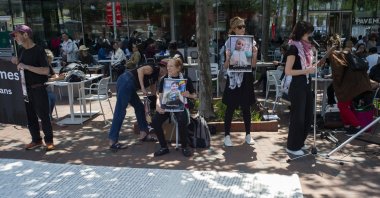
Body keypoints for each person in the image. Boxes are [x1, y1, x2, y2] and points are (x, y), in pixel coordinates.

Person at [10, 25, 55, 151]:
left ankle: (49, 141)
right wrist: (16, 62)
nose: (15, 38)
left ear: (25, 35)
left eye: (17, 35)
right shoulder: (21, 50)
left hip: (39, 88)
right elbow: (20, 66)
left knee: (44, 116)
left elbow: (46, 70)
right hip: (25, 89)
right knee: (30, 117)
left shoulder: (39, 50)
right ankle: (36, 139)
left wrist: (26, 66)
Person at [108, 60, 168, 152]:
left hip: (130, 84)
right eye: (168, 69)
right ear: (164, 68)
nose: (168, 72)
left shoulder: (156, 76)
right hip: (126, 81)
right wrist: (143, 88)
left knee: (140, 108)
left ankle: (144, 133)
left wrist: (155, 100)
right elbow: (140, 70)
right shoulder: (153, 68)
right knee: (120, 110)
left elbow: (153, 90)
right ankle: (113, 141)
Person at [327, 34, 373, 136]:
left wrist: (334, 79)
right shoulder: (345, 53)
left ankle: (357, 127)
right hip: (355, 83)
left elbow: (339, 72)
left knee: (343, 105)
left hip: (349, 85)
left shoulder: (335, 54)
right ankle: (348, 125)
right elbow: (344, 69)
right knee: (343, 105)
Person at [222, 16, 258, 147]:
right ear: (233, 29)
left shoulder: (250, 43)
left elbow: (253, 65)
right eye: (240, 27)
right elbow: (225, 66)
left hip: (246, 78)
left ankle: (248, 135)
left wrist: (255, 54)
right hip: (232, 79)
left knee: (246, 107)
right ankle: (226, 136)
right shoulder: (228, 44)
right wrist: (228, 57)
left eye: (243, 26)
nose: (243, 29)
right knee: (230, 107)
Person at [152, 57, 197, 157]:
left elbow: (195, 96)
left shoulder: (185, 79)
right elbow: (159, 96)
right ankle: (164, 147)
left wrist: (188, 95)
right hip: (166, 106)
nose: (168, 68)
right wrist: (158, 105)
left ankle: (184, 147)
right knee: (155, 121)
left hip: (180, 106)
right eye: (167, 66)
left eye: (171, 66)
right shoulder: (164, 79)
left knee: (182, 120)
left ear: (178, 68)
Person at [284, 21, 316, 156]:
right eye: (308, 32)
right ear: (302, 32)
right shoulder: (293, 48)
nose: (310, 35)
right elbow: (288, 71)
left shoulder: (307, 48)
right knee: (298, 117)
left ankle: (300, 142)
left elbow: (307, 68)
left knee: (308, 115)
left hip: (307, 84)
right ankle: (292, 146)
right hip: (297, 86)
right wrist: (305, 71)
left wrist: (313, 67)